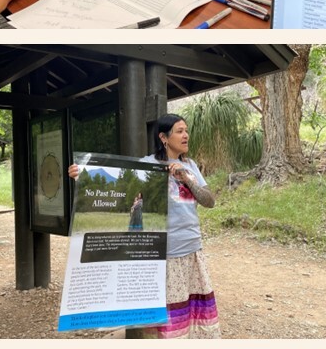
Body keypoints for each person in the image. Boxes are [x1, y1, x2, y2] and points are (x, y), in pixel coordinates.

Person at [70, 114, 220, 338]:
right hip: (163, 252)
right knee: (166, 312)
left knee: (190, 309)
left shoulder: (190, 165)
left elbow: (209, 201)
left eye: (186, 130)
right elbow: (118, 188)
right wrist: (82, 175)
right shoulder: (147, 165)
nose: (186, 135)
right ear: (163, 137)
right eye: (179, 131)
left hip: (191, 248)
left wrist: (186, 178)